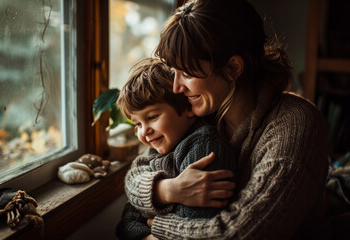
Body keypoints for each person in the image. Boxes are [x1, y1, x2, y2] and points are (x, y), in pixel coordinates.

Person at [124, 0, 330, 239]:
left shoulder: (295, 123)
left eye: (187, 73)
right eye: (173, 73)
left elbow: (240, 232)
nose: (176, 87)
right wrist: (166, 190)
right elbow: (136, 173)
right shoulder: (200, 114)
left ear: (232, 68)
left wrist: (158, 229)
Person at [115, 57, 237, 240]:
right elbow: (127, 221)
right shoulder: (157, 149)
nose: (145, 131)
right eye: (138, 124)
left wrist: (150, 222)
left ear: (187, 108)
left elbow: (194, 222)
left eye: (152, 116)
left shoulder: (204, 146)